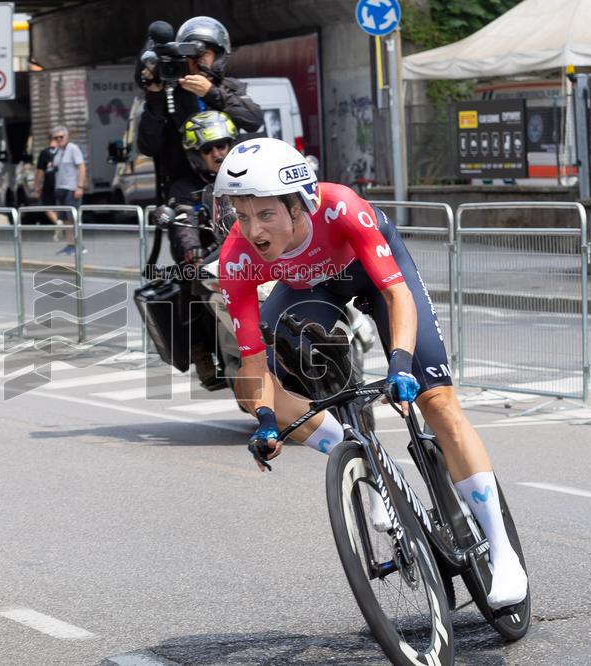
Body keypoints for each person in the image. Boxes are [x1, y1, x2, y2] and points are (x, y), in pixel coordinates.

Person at [214, 138, 529, 610]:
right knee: (250, 387)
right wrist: (264, 419)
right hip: (311, 289)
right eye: (241, 215)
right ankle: (359, 451)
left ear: (299, 206)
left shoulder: (340, 207)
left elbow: (398, 296)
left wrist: (401, 365)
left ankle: (503, 554)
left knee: (437, 401)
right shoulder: (237, 258)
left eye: (264, 215)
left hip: (373, 274)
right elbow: (253, 363)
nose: (251, 228)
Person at [137, 16, 263, 202]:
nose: (198, 61)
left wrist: (211, 92)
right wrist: (155, 97)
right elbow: (148, 146)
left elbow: (253, 120)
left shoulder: (229, 88)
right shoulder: (169, 94)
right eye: (191, 55)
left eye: (204, 54)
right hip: (185, 191)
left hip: (232, 183)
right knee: (183, 226)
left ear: (218, 56)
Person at [165, 110, 237, 387]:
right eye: (208, 149)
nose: (218, 153)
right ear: (197, 154)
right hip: (212, 255)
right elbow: (183, 221)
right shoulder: (185, 187)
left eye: (222, 145)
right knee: (188, 279)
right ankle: (201, 351)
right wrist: (192, 251)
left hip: (257, 248)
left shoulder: (249, 172)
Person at [47, 126, 87, 256]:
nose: (59, 139)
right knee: (65, 219)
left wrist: (80, 186)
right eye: (56, 137)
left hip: (71, 188)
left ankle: (79, 244)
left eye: (61, 137)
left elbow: (81, 167)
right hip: (60, 188)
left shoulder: (73, 148)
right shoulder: (57, 151)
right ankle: (70, 244)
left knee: (73, 218)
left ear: (66, 137)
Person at [33, 133, 61, 228]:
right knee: (59, 205)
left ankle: (58, 223)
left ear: (48, 140)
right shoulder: (62, 151)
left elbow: (40, 172)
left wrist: (37, 186)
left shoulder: (44, 153)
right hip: (62, 183)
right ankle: (61, 223)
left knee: (47, 207)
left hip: (49, 183)